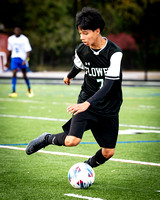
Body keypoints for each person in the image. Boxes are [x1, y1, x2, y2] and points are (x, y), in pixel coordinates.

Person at [26, 7, 123, 168]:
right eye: (80, 33)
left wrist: (88, 103)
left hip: (109, 107)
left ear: (97, 31)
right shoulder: (81, 50)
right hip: (86, 101)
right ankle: (46, 138)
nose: (82, 37)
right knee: (72, 140)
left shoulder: (114, 53)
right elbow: (78, 65)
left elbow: (109, 84)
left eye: (85, 33)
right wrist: (70, 75)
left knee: (108, 152)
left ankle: (86, 167)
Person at [7, 27, 33, 97]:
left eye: (18, 30)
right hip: (14, 58)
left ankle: (29, 89)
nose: (17, 31)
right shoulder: (10, 39)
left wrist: (25, 60)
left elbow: (28, 50)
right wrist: (7, 60)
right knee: (14, 73)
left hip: (22, 58)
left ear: (20, 31)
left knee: (24, 75)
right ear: (14, 31)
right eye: (16, 30)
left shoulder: (24, 39)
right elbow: (9, 50)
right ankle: (14, 91)